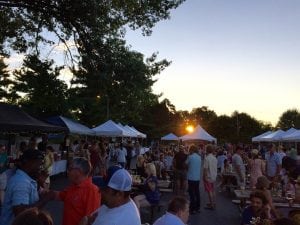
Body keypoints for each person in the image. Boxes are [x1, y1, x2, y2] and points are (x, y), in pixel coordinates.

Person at [0, 149, 54, 225]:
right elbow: (21, 213)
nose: (41, 167)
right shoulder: (21, 182)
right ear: (27, 162)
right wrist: (45, 199)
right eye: (39, 164)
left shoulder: (28, 178)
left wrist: (41, 184)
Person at [54, 157, 101, 225]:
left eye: (69, 169)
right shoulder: (74, 186)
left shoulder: (92, 191)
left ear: (78, 171)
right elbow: (60, 195)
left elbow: (90, 220)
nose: (67, 172)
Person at [186, 145, 201, 214]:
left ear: (191, 150)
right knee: (197, 193)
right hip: (197, 177)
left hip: (191, 177)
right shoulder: (199, 157)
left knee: (191, 194)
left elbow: (185, 164)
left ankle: (192, 209)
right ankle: (198, 207)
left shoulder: (190, 157)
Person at [203, 144, 218, 210]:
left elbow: (205, 169)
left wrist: (204, 176)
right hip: (214, 176)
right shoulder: (215, 158)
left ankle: (211, 204)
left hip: (208, 176)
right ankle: (213, 202)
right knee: (212, 190)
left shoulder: (207, 158)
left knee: (209, 191)